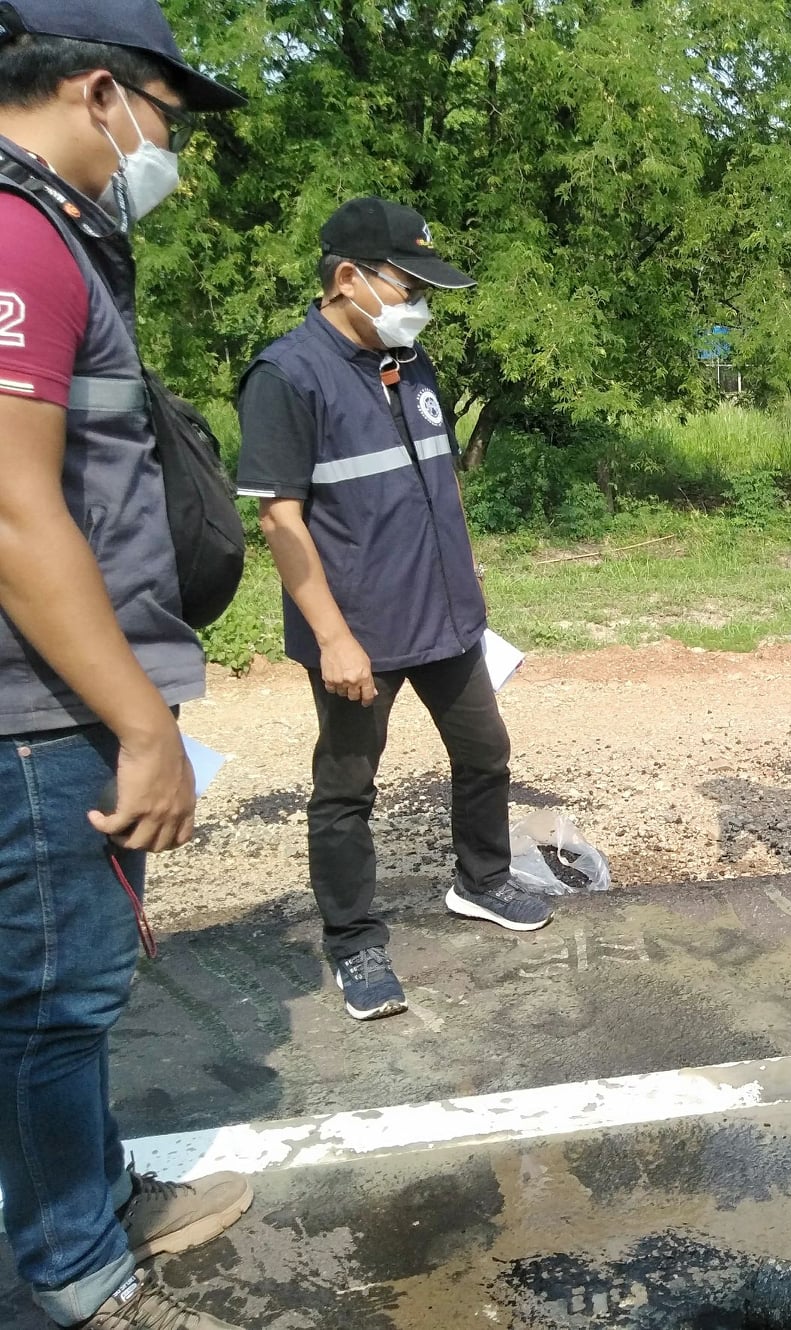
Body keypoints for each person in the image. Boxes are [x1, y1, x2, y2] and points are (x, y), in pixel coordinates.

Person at [0, 4, 257, 1327]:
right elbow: (13, 511)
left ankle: (90, 1195)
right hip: (40, 711)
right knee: (55, 994)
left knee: (66, 983)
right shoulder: (16, 239)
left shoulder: (53, 236)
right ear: (99, 92)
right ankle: (70, 1268)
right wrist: (142, 726)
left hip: (57, 696)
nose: (169, 151)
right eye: (167, 119)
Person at [236, 198, 551, 1024]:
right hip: (358, 632)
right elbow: (280, 520)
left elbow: (438, 481)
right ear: (349, 278)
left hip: (444, 615)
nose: (420, 304)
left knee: (485, 753)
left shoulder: (409, 363)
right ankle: (353, 942)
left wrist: (467, 581)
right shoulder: (287, 376)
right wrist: (333, 638)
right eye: (409, 287)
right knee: (347, 787)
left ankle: (481, 881)